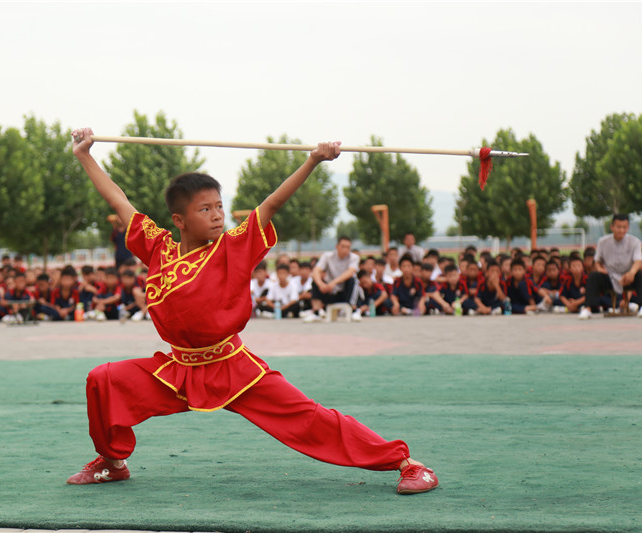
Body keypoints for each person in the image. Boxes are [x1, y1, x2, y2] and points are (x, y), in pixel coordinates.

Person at [66, 128, 437, 495]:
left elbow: (272, 204)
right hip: (178, 370)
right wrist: (84, 154)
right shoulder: (158, 248)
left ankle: (407, 464)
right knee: (104, 379)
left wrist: (313, 159)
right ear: (179, 220)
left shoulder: (232, 247)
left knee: (310, 419)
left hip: (233, 368)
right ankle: (112, 464)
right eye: (205, 209)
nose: (217, 216)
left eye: (219, 207)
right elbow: (119, 201)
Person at [580, 214, 642, 319]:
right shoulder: (602, 242)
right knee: (593, 276)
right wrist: (600, 269)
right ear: (612, 227)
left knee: (640, 275)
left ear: (628, 227)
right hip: (610, 276)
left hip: (628, 277)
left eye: (624, 227)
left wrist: (631, 273)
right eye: (618, 227)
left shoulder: (635, 242)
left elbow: (638, 261)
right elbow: (597, 261)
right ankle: (588, 309)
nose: (621, 230)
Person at [305, 236, 359, 322]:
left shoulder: (354, 257)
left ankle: (354, 310)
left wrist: (334, 282)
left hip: (344, 292)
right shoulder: (327, 256)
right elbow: (316, 271)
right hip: (329, 291)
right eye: (343, 246)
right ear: (337, 246)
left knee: (353, 280)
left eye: (348, 247)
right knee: (315, 281)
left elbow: (350, 272)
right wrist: (321, 284)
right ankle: (316, 312)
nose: (345, 249)